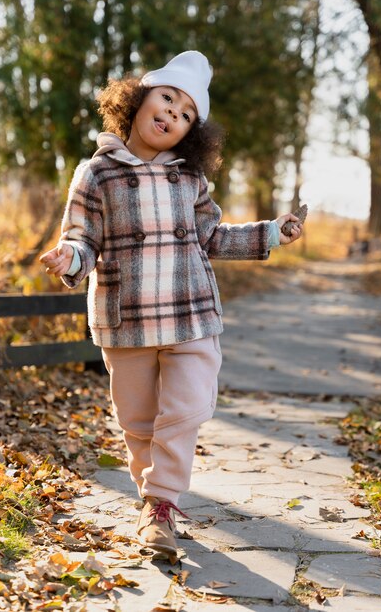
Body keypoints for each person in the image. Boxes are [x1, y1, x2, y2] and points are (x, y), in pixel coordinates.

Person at [40, 51, 303, 560]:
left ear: (191, 134)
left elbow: (212, 237)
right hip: (126, 317)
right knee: (138, 422)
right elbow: (82, 238)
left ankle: (161, 506)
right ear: (137, 99)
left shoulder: (191, 180)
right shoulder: (94, 174)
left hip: (191, 315)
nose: (172, 115)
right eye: (167, 99)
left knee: (183, 412)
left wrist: (271, 231)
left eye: (187, 115)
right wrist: (70, 255)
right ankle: (150, 501)